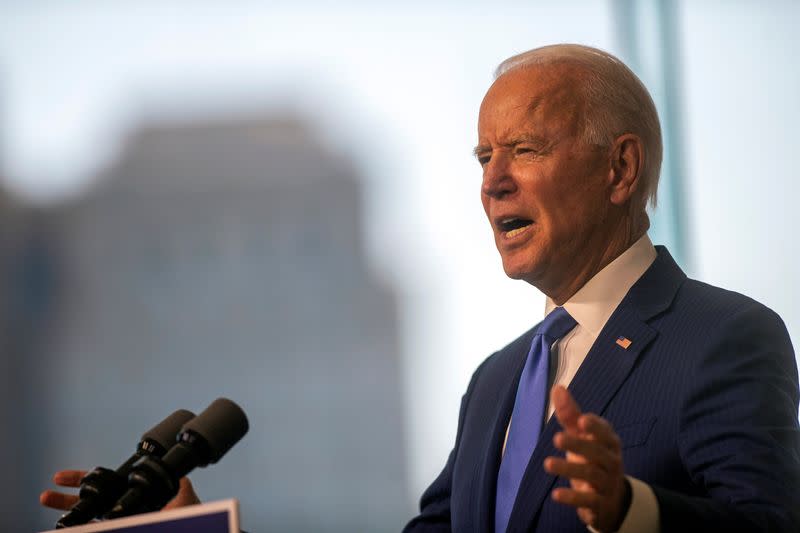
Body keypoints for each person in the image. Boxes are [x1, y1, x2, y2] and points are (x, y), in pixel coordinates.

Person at [403, 44, 800, 532]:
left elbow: (769, 523)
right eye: (485, 157)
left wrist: (631, 509)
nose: (492, 182)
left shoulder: (725, 337)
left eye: (525, 149)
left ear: (620, 168)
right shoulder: (493, 380)